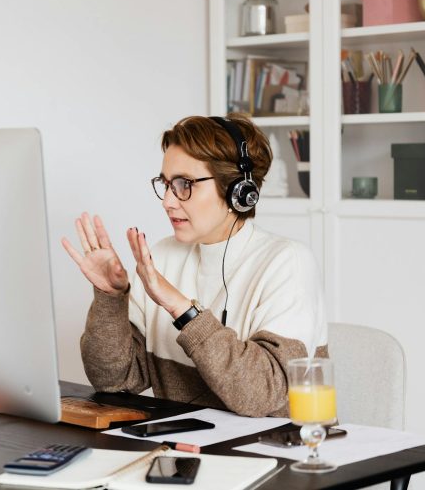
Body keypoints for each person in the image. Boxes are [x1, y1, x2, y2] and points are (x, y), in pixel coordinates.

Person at [61, 114, 327, 418]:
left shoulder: (287, 263)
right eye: (166, 184)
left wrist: (182, 309)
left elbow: (260, 396)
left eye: (184, 184)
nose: (168, 202)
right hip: (185, 456)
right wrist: (110, 298)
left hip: (277, 457)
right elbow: (114, 380)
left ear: (237, 190)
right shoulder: (161, 256)